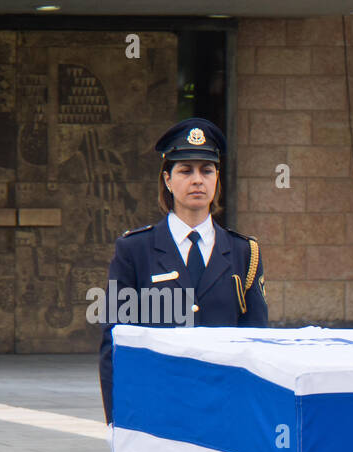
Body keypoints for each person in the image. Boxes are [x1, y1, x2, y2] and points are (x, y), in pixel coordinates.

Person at [98, 117, 268, 424]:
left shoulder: (244, 253)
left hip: (223, 410)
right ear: (167, 180)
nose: (197, 180)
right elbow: (115, 342)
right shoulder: (134, 250)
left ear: (218, 178)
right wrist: (117, 418)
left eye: (207, 170)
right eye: (185, 170)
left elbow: (256, 344)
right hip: (158, 409)